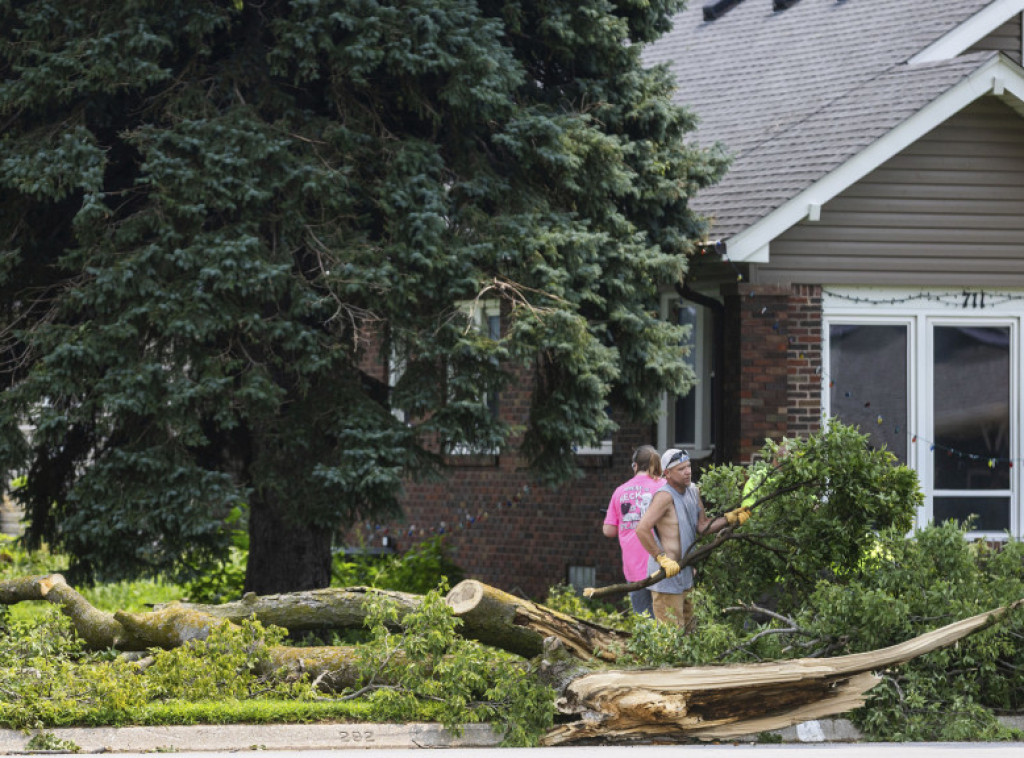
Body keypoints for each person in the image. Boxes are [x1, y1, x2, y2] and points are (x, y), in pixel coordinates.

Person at [636, 448, 751, 629]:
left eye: (688, 466)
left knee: (691, 633)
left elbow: (703, 527)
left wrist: (729, 519)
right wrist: (661, 558)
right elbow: (641, 529)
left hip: (686, 574)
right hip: (666, 577)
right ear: (667, 473)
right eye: (681, 469)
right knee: (672, 636)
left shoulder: (693, 491)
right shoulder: (664, 497)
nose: (688, 471)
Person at [602, 445, 664, 616]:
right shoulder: (664, 486)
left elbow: (609, 530)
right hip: (663, 564)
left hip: (634, 568)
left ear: (635, 466)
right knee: (667, 621)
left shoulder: (620, 491)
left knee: (644, 620)